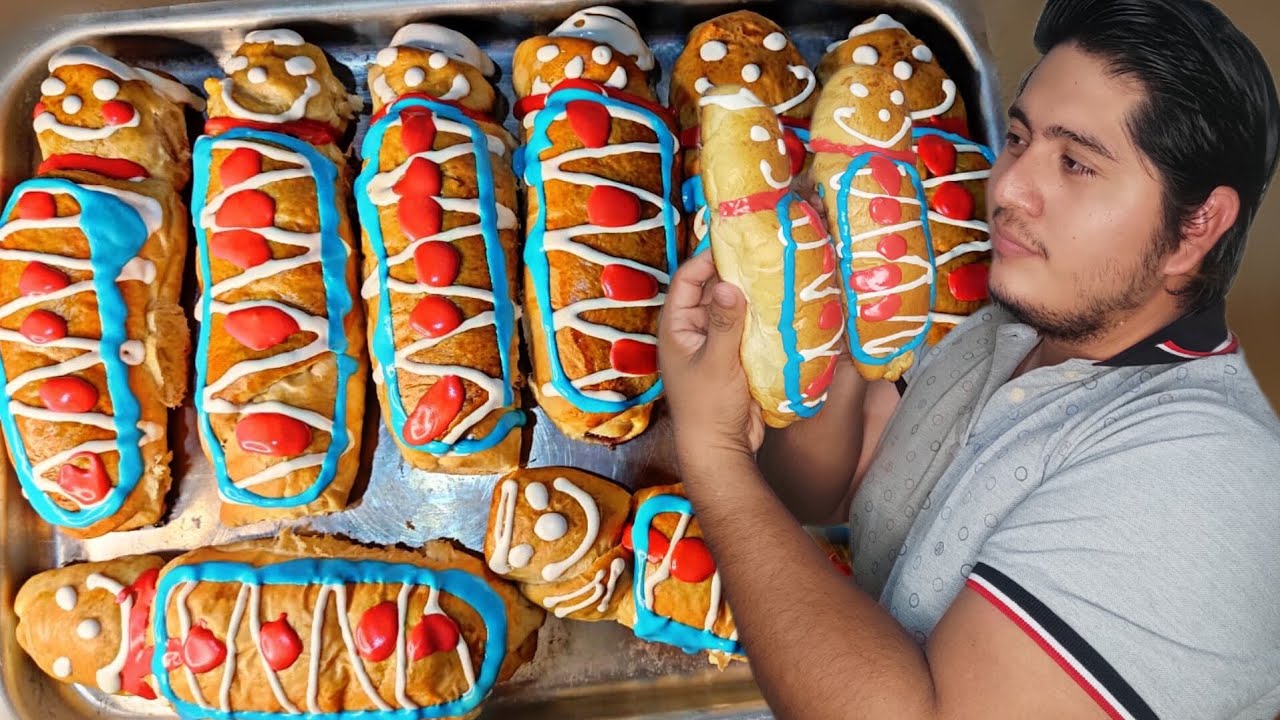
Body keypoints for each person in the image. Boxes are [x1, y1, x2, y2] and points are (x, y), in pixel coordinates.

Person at [656, 0, 1280, 717]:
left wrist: (714, 453)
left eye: (1075, 163)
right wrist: (813, 326)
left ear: (1196, 226)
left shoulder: (1206, 475)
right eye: (1019, 138)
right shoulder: (1013, 330)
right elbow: (834, 489)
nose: (1009, 189)